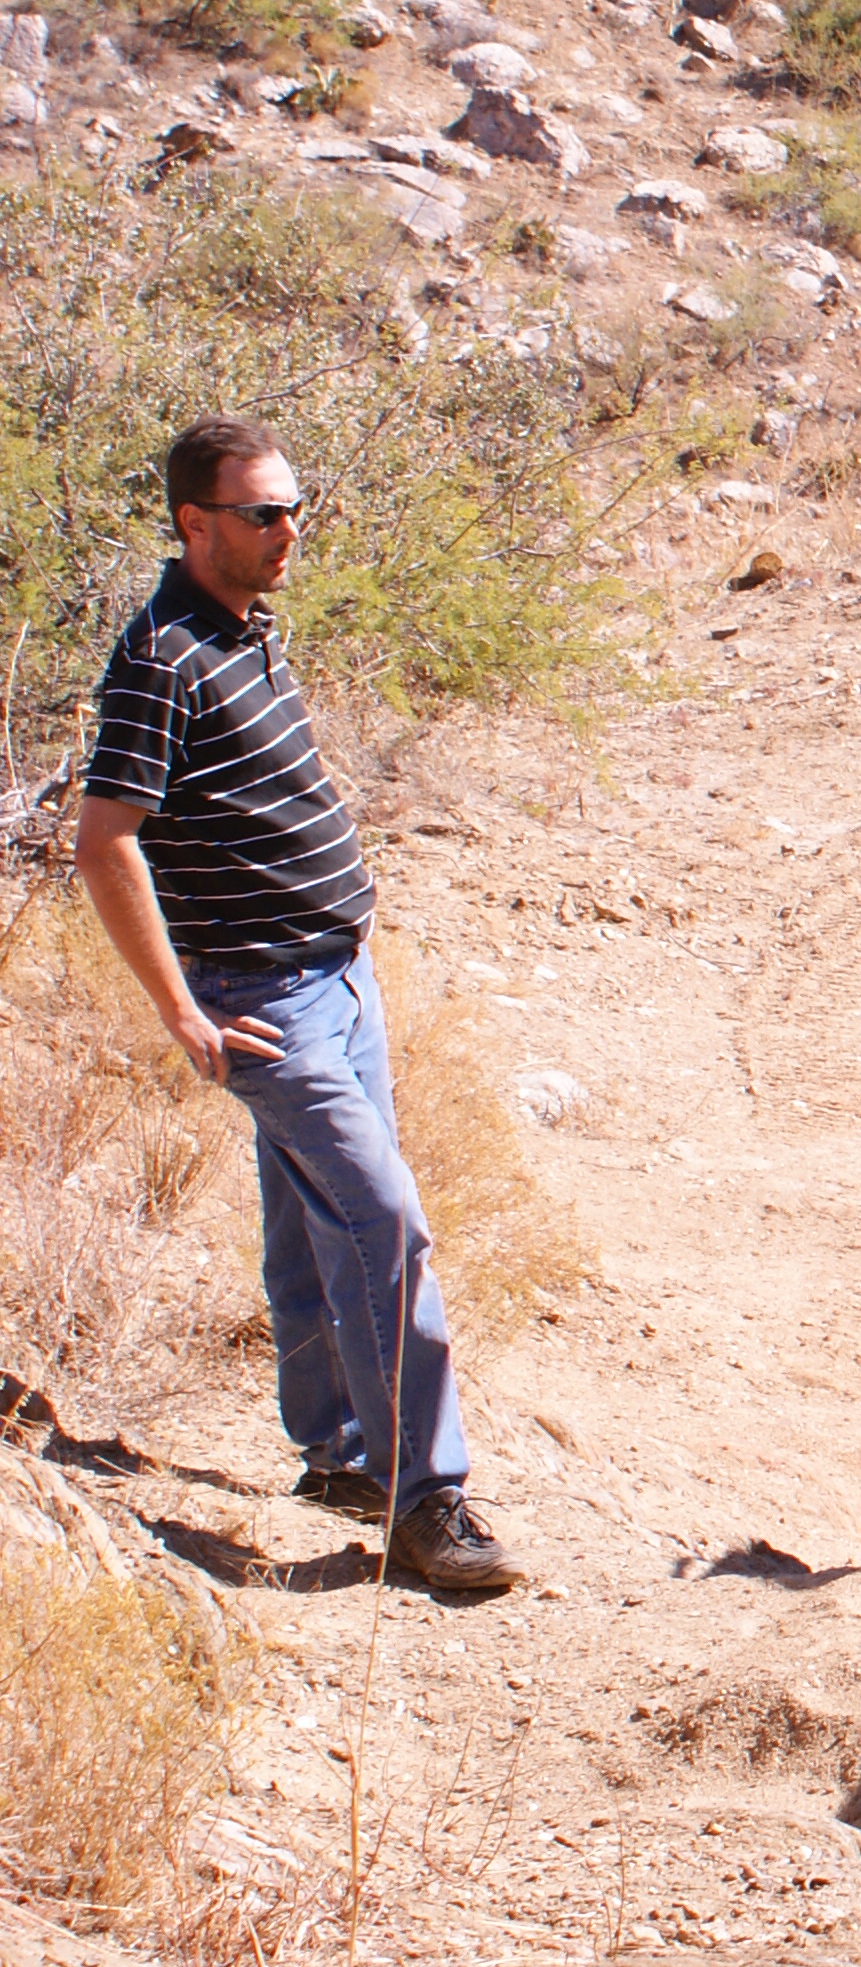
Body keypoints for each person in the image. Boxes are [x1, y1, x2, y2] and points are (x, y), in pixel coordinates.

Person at [68, 416, 521, 1591]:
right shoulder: (162, 658)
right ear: (194, 521)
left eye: (294, 508)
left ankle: (341, 1451)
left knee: (313, 1217)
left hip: (337, 977)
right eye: (262, 512)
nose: (288, 530)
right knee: (382, 1220)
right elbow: (104, 839)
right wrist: (181, 1012)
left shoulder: (245, 629)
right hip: (261, 999)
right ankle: (427, 1502)